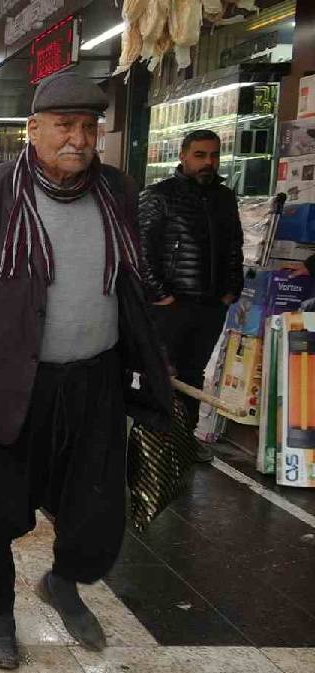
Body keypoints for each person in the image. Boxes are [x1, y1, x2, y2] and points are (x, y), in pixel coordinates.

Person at [0, 71, 171, 670]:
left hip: (96, 379)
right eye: (64, 126)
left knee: (95, 506)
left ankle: (64, 582)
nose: (79, 139)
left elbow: (129, 280)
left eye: (90, 126)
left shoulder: (117, 189)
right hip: (6, 383)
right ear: (32, 130)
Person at [138, 129, 243, 460]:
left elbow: (233, 248)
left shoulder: (224, 198)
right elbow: (141, 251)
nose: (208, 162)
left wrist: (230, 290)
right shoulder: (158, 196)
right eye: (200, 155)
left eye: (214, 155)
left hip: (211, 304)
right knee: (161, 373)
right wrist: (160, 295)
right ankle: (155, 443)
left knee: (193, 374)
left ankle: (184, 441)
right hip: (171, 305)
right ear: (183, 156)